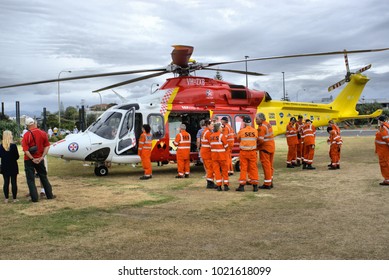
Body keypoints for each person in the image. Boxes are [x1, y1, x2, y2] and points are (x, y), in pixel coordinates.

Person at [21, 117, 55, 202]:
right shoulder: (43, 133)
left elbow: (25, 150)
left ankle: (34, 198)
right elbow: (47, 146)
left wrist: (32, 159)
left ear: (27, 125)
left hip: (29, 159)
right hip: (40, 157)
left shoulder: (26, 135)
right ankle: (49, 195)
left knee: (30, 179)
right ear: (35, 123)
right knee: (43, 177)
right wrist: (42, 157)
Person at [236, 116, 258, 192]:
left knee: (243, 169)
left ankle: (241, 186)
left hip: (244, 152)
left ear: (244, 123)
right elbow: (256, 139)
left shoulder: (241, 131)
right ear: (251, 122)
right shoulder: (255, 131)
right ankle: (255, 186)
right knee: (253, 168)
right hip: (252, 152)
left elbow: (238, 138)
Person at [256, 113, 275, 189]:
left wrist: (256, 146)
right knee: (270, 166)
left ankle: (267, 183)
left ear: (261, 119)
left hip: (265, 148)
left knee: (266, 166)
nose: (256, 121)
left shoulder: (261, 127)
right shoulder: (268, 124)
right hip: (271, 147)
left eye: (256, 119)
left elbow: (261, 140)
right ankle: (270, 181)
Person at [0, 131, 19, 203]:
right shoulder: (13, 146)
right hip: (13, 165)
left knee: (6, 182)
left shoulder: (1, 146)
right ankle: (14, 198)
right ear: (9, 136)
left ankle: (6, 198)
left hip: (5, 165)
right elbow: (17, 156)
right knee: (14, 182)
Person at [210, 122, 230, 191]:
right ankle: (226, 185)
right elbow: (226, 146)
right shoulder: (221, 136)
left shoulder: (211, 136)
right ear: (218, 128)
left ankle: (219, 186)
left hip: (214, 157)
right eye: (221, 127)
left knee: (217, 171)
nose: (222, 129)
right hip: (222, 156)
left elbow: (211, 146)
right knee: (225, 171)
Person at [200, 119, 215, 189]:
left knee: (208, 168)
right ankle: (210, 183)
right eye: (212, 124)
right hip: (207, 153)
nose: (213, 126)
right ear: (208, 125)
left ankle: (210, 182)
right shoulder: (208, 133)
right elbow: (212, 143)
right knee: (210, 168)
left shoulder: (205, 131)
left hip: (205, 152)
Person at [375, 116, 389, 185]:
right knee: (386, 164)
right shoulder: (385, 127)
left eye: (378, 120)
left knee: (384, 165)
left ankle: (387, 180)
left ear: (381, 121)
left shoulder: (384, 128)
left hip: (383, 150)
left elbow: (386, 138)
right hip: (383, 149)